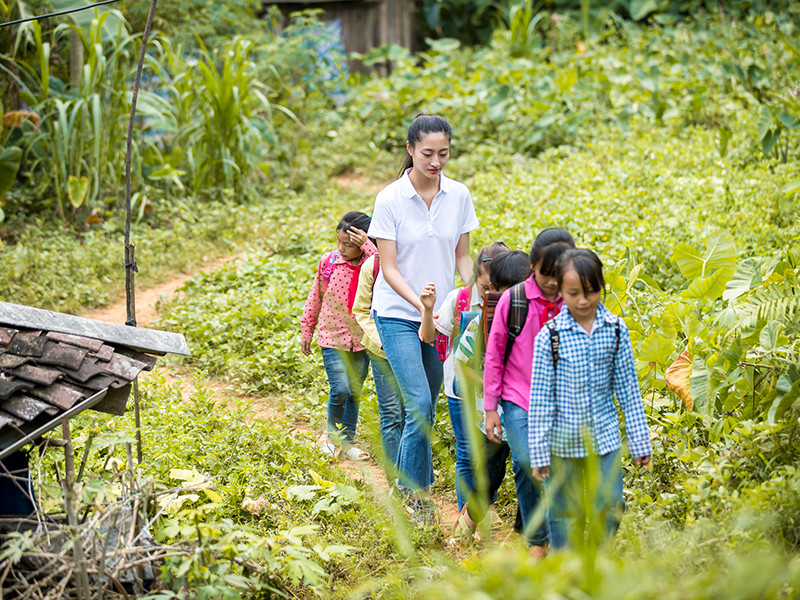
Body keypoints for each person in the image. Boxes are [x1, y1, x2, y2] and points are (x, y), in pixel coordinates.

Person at [368, 114, 479, 521]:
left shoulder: (459, 195)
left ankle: (402, 483)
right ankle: (415, 495)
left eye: (444, 154)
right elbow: (390, 268)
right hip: (399, 313)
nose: (436, 162)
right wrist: (421, 306)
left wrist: (476, 295)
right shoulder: (390, 199)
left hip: (442, 316)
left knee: (428, 404)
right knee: (417, 405)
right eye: (428, 153)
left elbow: (463, 257)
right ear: (410, 149)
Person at [528, 249, 652, 550]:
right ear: (561, 291)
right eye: (574, 293)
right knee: (563, 513)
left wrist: (639, 441)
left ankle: (596, 560)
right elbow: (541, 399)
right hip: (562, 444)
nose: (583, 301)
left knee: (611, 504)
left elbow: (628, 391)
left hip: (605, 440)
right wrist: (539, 451)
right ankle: (567, 571)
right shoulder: (550, 336)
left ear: (601, 287)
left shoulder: (617, 331)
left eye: (591, 291)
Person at [483, 227, 576, 557]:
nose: (552, 283)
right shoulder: (514, 299)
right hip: (518, 398)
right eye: (545, 274)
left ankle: (550, 546)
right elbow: (494, 353)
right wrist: (491, 407)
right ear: (533, 265)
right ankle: (539, 538)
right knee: (527, 460)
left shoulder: (574, 299)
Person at [450, 249, 531, 546]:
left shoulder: (541, 320)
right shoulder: (479, 324)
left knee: (530, 477)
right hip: (494, 419)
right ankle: (463, 531)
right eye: (502, 290)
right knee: (487, 482)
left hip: (529, 417)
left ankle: (527, 541)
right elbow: (463, 365)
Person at [430, 242, 508, 513]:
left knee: (491, 453)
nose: (493, 294)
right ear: (476, 276)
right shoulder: (458, 299)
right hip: (461, 388)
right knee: (466, 451)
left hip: (495, 390)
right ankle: (467, 515)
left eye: (499, 287)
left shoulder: (512, 301)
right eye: (487, 288)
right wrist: (429, 311)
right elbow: (429, 336)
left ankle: (482, 508)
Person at [301, 211, 377, 461]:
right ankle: (331, 439)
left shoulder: (371, 264)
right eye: (339, 242)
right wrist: (307, 329)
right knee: (341, 388)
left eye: (349, 244)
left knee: (354, 390)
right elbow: (316, 296)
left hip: (361, 340)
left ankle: (348, 442)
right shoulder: (330, 262)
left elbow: (380, 257)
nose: (342, 249)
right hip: (332, 338)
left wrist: (367, 242)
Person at [352, 252, 404, 477]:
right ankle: (395, 479)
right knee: (392, 413)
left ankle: (410, 473)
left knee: (412, 413)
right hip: (381, 351)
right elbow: (361, 310)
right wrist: (383, 341)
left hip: (415, 348)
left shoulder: (420, 259)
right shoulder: (371, 266)